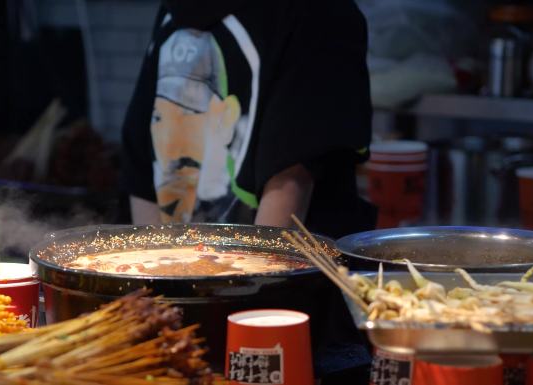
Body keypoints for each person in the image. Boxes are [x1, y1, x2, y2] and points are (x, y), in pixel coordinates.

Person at [120, 0, 376, 382]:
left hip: (274, 310)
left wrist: (162, 299)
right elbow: (143, 160)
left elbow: (290, 179)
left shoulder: (317, 13)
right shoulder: (179, 8)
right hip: (218, 310)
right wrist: (145, 293)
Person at [120, 0, 375, 239]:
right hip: (257, 278)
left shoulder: (316, 14)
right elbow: (141, 165)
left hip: (280, 271)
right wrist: (152, 277)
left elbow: (291, 177)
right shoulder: (317, 12)